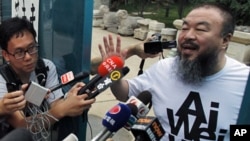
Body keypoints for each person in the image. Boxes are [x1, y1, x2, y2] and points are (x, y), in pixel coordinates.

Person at [98, 2, 250, 141]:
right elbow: (125, 93)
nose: (188, 35)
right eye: (184, 28)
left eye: (201, 29)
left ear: (225, 40)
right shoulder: (164, 68)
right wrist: (114, 75)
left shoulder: (245, 83)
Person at [0, 17, 95, 140]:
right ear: (6, 55)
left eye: (32, 48)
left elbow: (55, 104)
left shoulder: (45, 67)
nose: (28, 57)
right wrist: (62, 110)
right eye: (19, 52)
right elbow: (21, 124)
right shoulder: (3, 79)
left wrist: (70, 99)